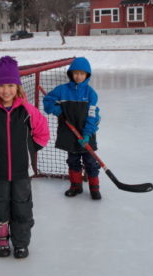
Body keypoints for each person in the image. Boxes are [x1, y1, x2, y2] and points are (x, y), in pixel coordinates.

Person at [0, 56, 50, 258]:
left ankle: (21, 242)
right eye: (2, 85)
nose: (7, 90)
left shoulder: (27, 111)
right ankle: (2, 240)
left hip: (22, 171)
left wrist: (31, 150)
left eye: (11, 85)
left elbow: (43, 132)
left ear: (18, 86)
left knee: (22, 206)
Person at [43, 57, 101, 200]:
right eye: (75, 73)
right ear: (70, 74)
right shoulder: (62, 90)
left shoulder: (91, 94)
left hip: (86, 134)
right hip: (69, 134)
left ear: (87, 75)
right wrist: (58, 111)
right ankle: (76, 186)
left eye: (82, 73)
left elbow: (93, 116)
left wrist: (87, 134)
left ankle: (94, 188)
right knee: (73, 161)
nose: (78, 76)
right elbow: (47, 101)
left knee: (90, 162)